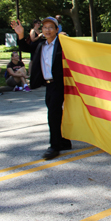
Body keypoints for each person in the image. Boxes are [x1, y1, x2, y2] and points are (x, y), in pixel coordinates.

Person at [11, 17, 72, 160]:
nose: (47, 29)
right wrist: (20, 34)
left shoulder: (62, 43)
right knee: (55, 112)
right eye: (45, 27)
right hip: (48, 84)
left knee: (52, 113)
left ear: (57, 30)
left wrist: (66, 38)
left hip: (60, 84)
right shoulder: (40, 44)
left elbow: (76, 49)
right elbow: (25, 48)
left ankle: (54, 146)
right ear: (42, 30)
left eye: (51, 27)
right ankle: (63, 141)